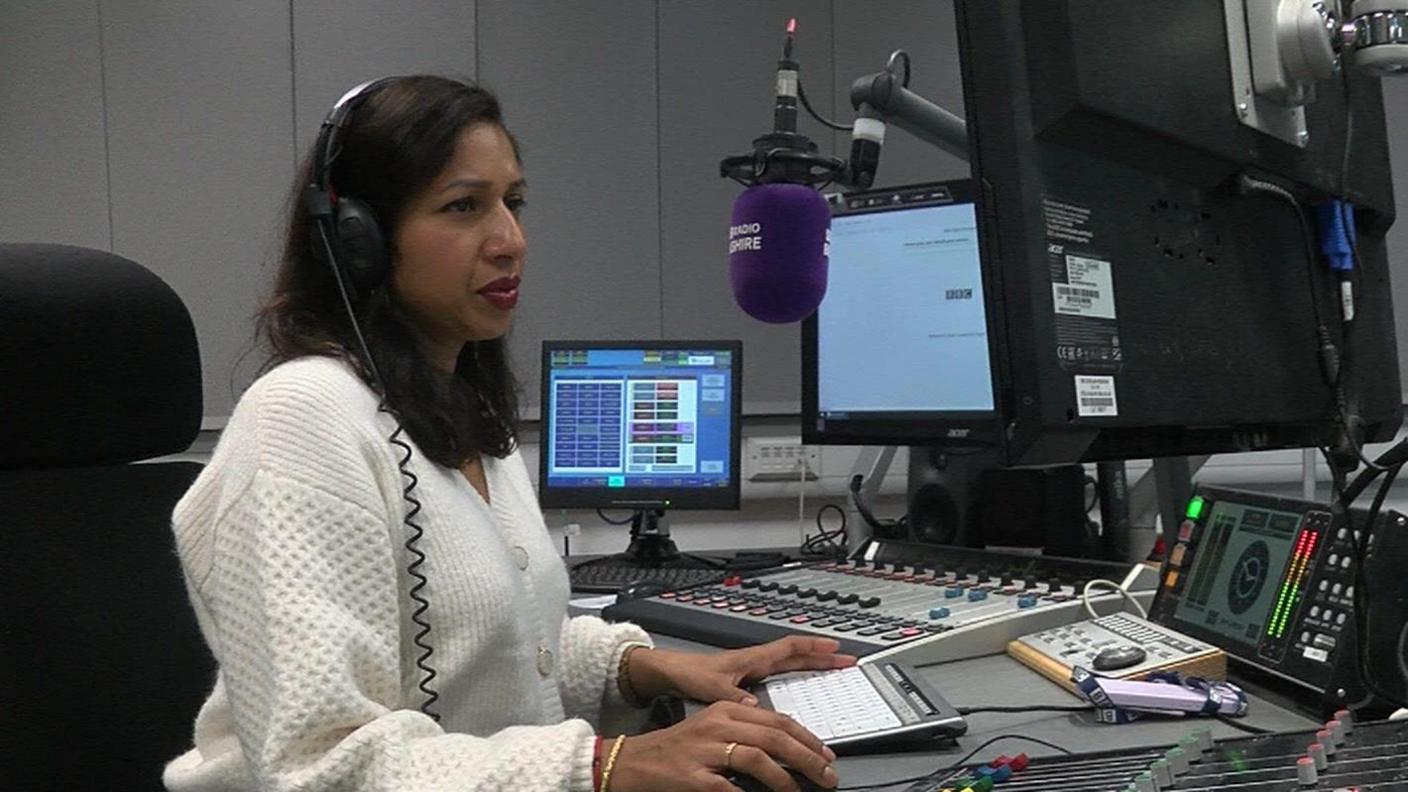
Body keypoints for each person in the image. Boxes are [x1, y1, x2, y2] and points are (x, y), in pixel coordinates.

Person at [164, 74, 855, 792]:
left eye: (513, 203)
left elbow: (499, 649)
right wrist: (601, 763)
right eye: (464, 207)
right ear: (356, 240)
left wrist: (643, 667)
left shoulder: (459, 412)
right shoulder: (302, 421)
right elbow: (321, 767)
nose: (510, 241)